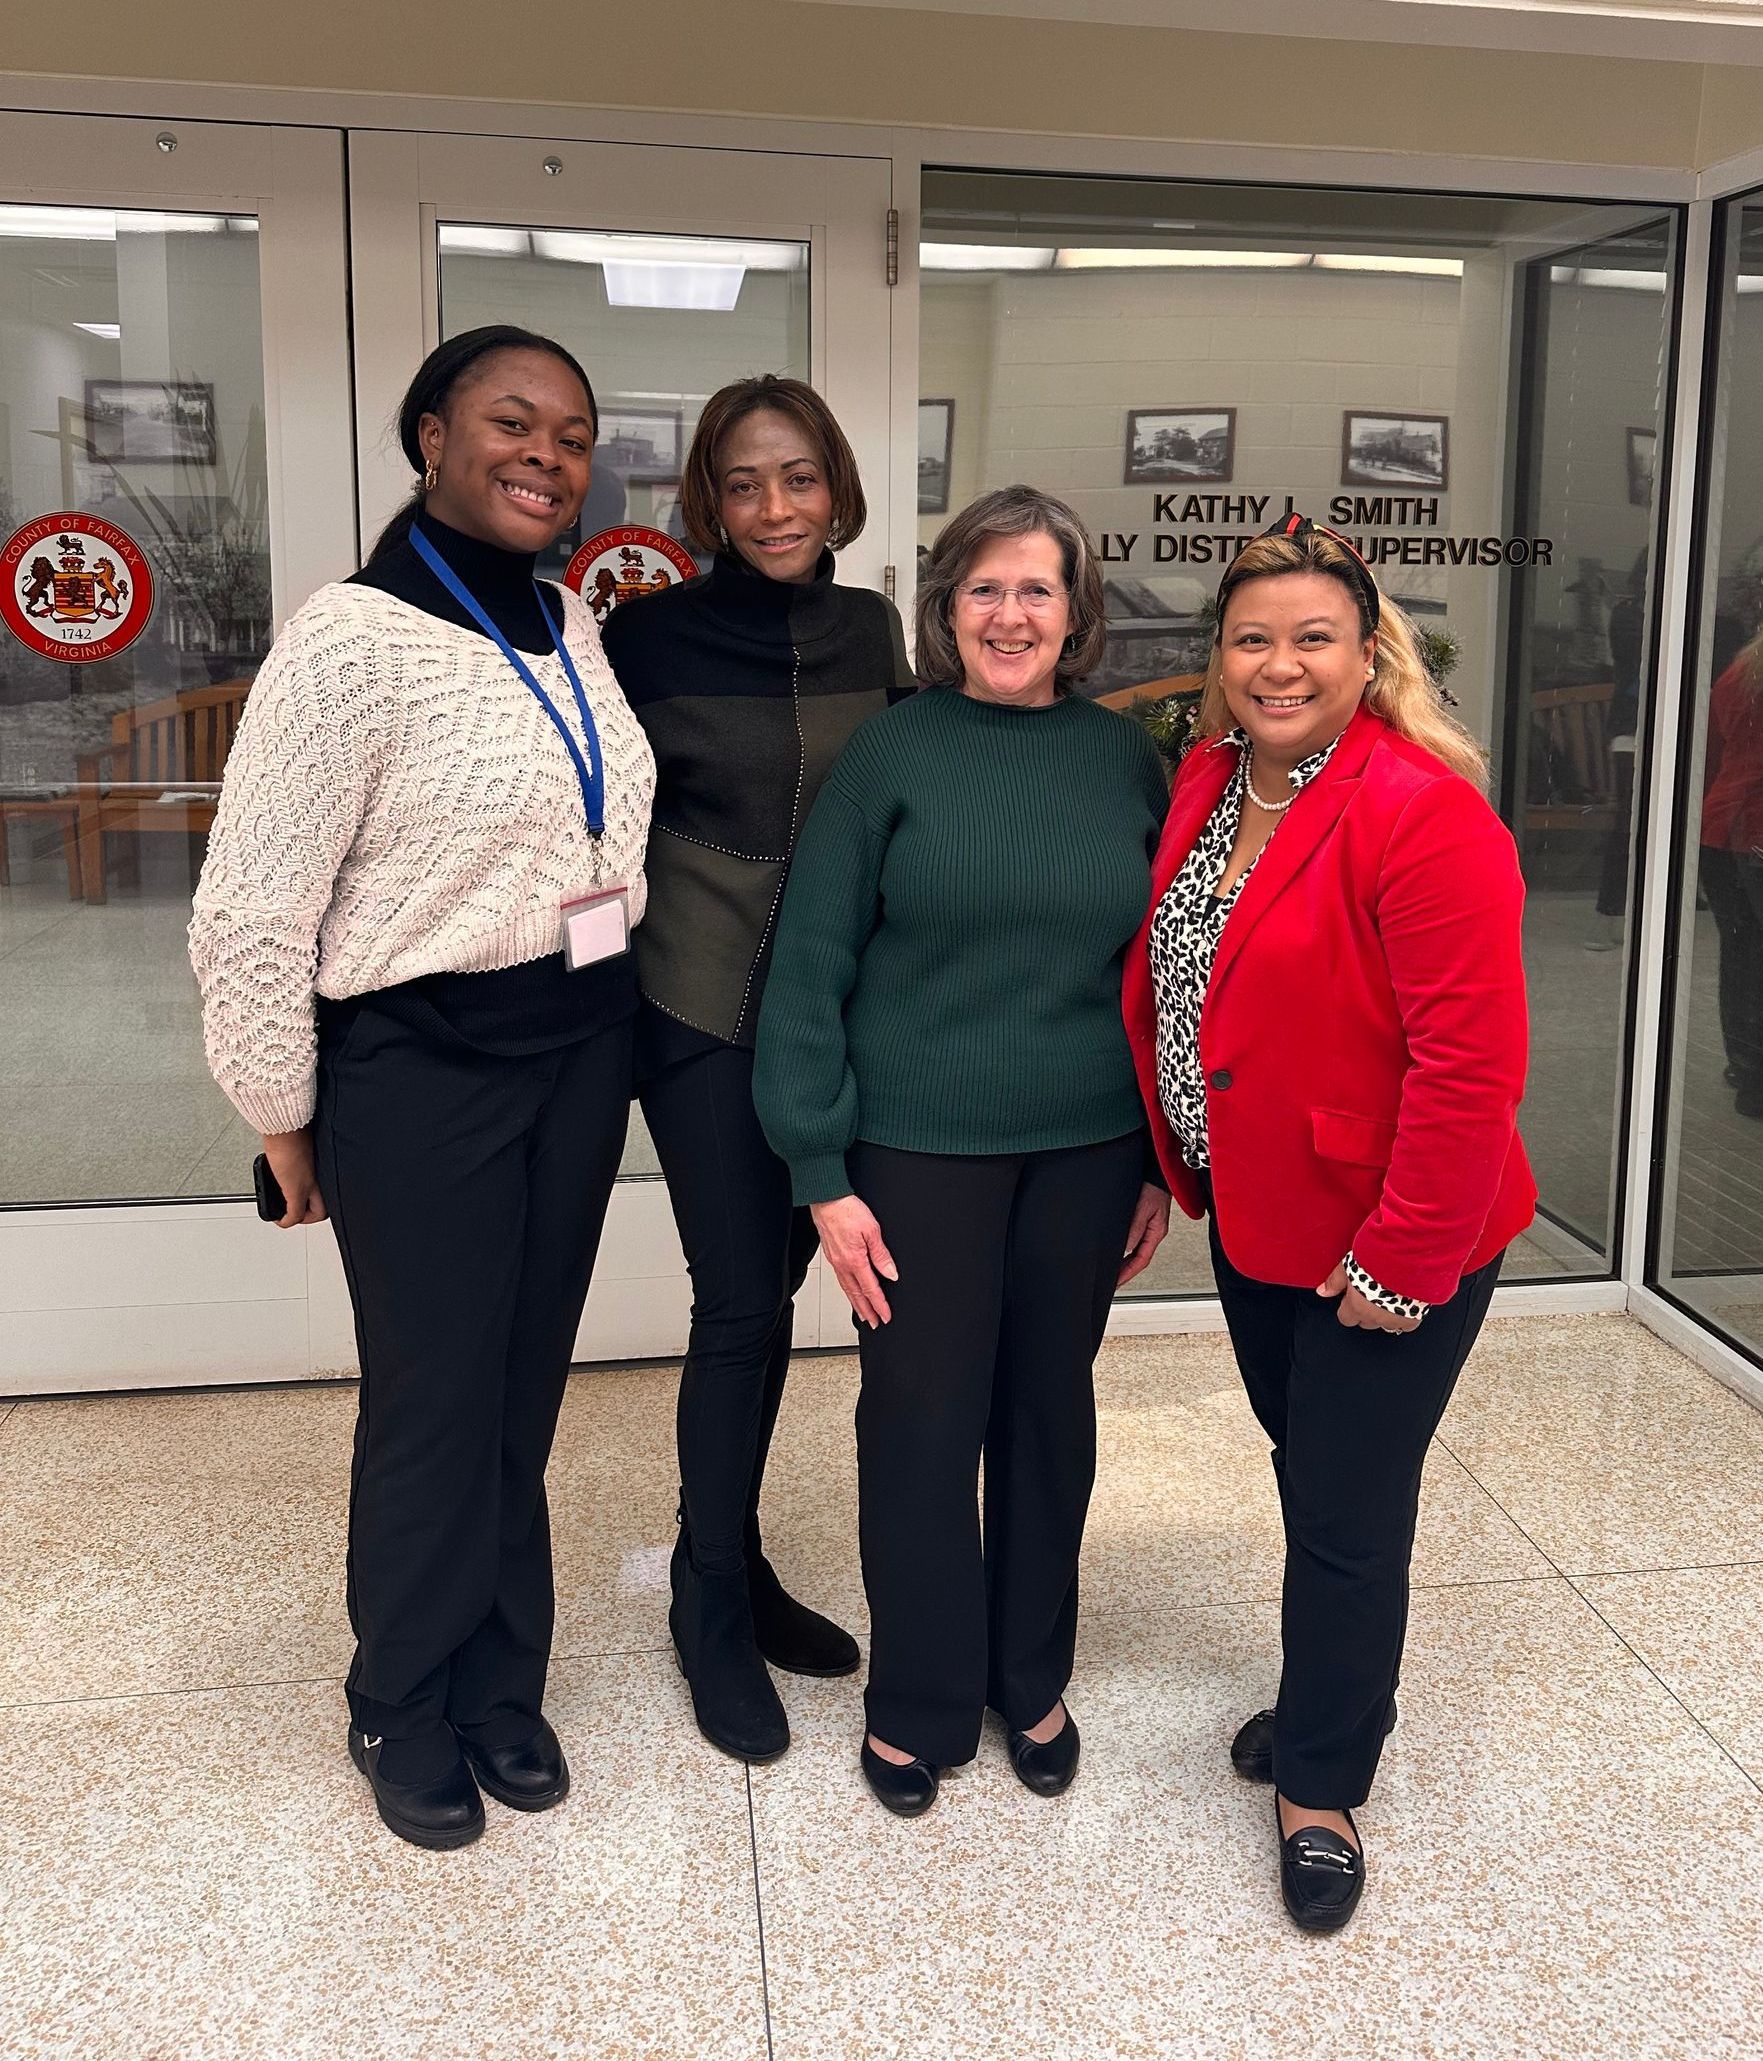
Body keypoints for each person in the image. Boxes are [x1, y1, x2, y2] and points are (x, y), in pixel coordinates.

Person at [189, 326, 656, 1850]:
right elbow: (252, 906)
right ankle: (399, 1691)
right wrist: (282, 1114)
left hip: (576, 1048)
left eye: (573, 435)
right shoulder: (351, 638)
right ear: (431, 435)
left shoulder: (569, 617)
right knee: (431, 1398)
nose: (545, 455)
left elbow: (593, 832)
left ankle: (499, 1679)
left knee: (522, 1392)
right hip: (419, 1070)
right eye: (511, 423)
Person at [1123, 513, 1536, 1931]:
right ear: (1217, 658)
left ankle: (1320, 1784)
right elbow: (1190, 981)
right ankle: (1336, 1689)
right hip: (1257, 1214)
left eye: (1311, 637)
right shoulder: (1209, 780)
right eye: (1251, 638)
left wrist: (1402, 1259)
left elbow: (1468, 1067)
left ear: (1368, 654)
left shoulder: (1421, 810)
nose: (1278, 663)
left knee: (1348, 1518)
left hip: (1389, 1230)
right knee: (1314, 1479)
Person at [752, 485, 1173, 1817]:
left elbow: (1166, 968)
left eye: (1035, 590)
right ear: (944, 610)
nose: (1009, 614)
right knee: (922, 1424)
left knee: (1048, 1421)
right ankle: (919, 1697)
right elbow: (807, 967)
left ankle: (1025, 1676)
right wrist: (820, 1173)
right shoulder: (890, 755)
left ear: (1072, 613)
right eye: (983, 589)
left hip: (1087, 1147)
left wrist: (1160, 1156)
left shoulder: (1120, 762)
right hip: (913, 1150)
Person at [598, 374, 911, 1763]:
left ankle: (727, 1549)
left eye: (796, 478)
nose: (773, 507)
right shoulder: (643, 634)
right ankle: (706, 1594)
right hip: (696, 1006)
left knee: (781, 1289)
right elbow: (590, 823)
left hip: (836, 1016)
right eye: (742, 483)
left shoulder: (872, 626)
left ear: (834, 485)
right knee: (739, 1300)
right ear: (705, 502)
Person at [1699, 628, 1763, 1120]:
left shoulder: (1737, 674)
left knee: (1741, 953)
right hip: (1753, 830)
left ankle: (1746, 1069)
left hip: (1721, 830)